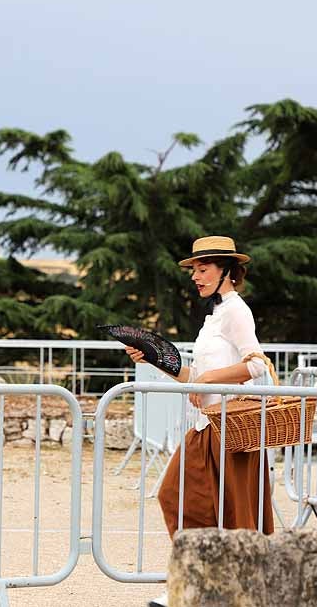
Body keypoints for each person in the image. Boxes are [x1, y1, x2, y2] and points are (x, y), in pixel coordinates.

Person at [124, 236, 274, 607]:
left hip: (230, 427)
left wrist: (207, 380)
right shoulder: (214, 317)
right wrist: (153, 359)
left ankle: (210, 589)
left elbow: (257, 364)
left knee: (225, 513)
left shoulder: (237, 310)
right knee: (183, 499)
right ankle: (199, 584)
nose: (196, 276)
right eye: (194, 270)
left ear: (227, 271)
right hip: (207, 425)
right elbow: (196, 374)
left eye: (203, 269)